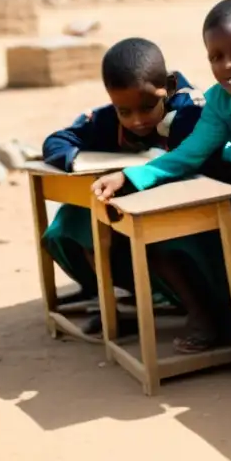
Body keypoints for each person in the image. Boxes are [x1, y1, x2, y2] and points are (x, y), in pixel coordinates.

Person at [91, 0, 231, 352]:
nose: (228, 65)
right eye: (216, 57)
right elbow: (190, 153)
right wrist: (131, 176)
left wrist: (226, 154)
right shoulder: (220, 98)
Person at [41, 37, 205, 336]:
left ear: (167, 87)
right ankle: (109, 305)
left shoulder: (190, 111)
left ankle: (201, 312)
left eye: (146, 107)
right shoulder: (114, 114)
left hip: (193, 215)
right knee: (76, 221)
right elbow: (57, 141)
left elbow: (190, 161)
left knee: (157, 239)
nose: (137, 120)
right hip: (133, 204)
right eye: (124, 111)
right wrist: (76, 159)